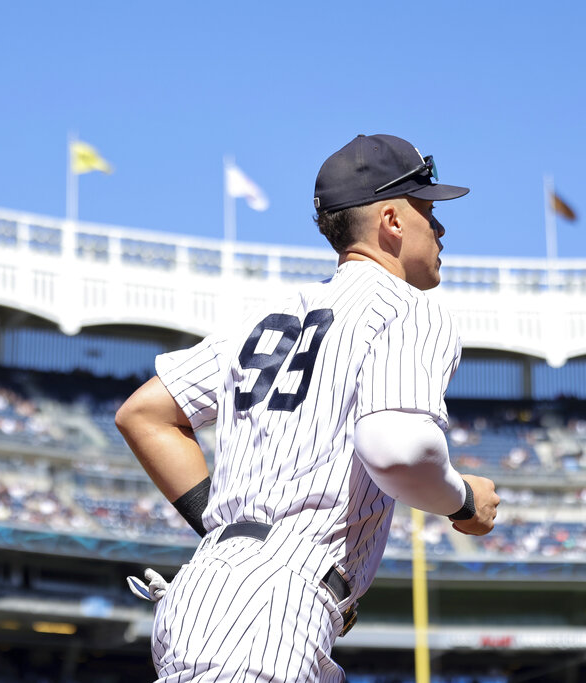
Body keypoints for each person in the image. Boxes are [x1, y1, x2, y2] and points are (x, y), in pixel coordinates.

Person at [115, 134, 500, 682]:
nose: (440, 229)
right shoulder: (409, 308)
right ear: (392, 219)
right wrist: (463, 501)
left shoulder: (269, 313)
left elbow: (145, 414)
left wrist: (236, 539)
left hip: (220, 592)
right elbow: (398, 448)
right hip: (268, 612)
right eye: (429, 210)